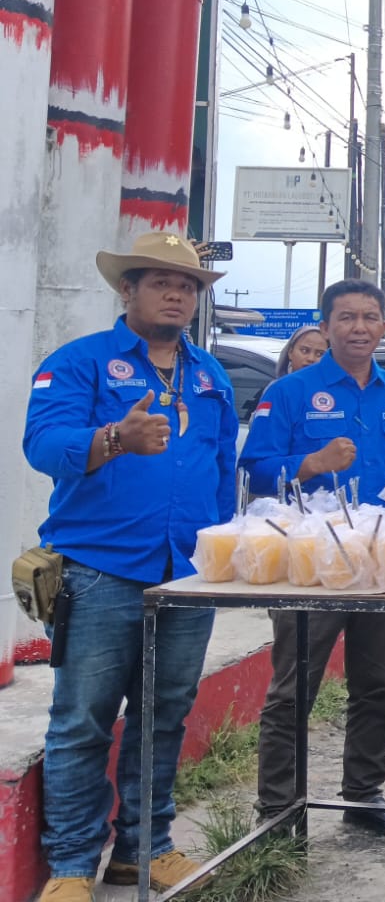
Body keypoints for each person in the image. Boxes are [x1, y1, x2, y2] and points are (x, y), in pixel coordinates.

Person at [23, 233, 237, 901]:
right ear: (128, 290)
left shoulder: (210, 376)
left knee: (164, 714)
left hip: (185, 574)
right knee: (83, 716)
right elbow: (43, 444)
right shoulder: (80, 363)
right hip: (100, 572)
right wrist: (116, 438)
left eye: (189, 286)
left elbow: (222, 467)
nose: (177, 294)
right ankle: (70, 864)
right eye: (160, 282)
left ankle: (145, 849)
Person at [242, 279, 385, 835]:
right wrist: (313, 462)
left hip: (380, 561)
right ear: (325, 328)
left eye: (370, 317)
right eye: (346, 318)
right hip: (311, 563)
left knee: (375, 684)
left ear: (384, 327)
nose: (359, 328)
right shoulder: (292, 392)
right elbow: (254, 470)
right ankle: (278, 809)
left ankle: (364, 793)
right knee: (294, 685)